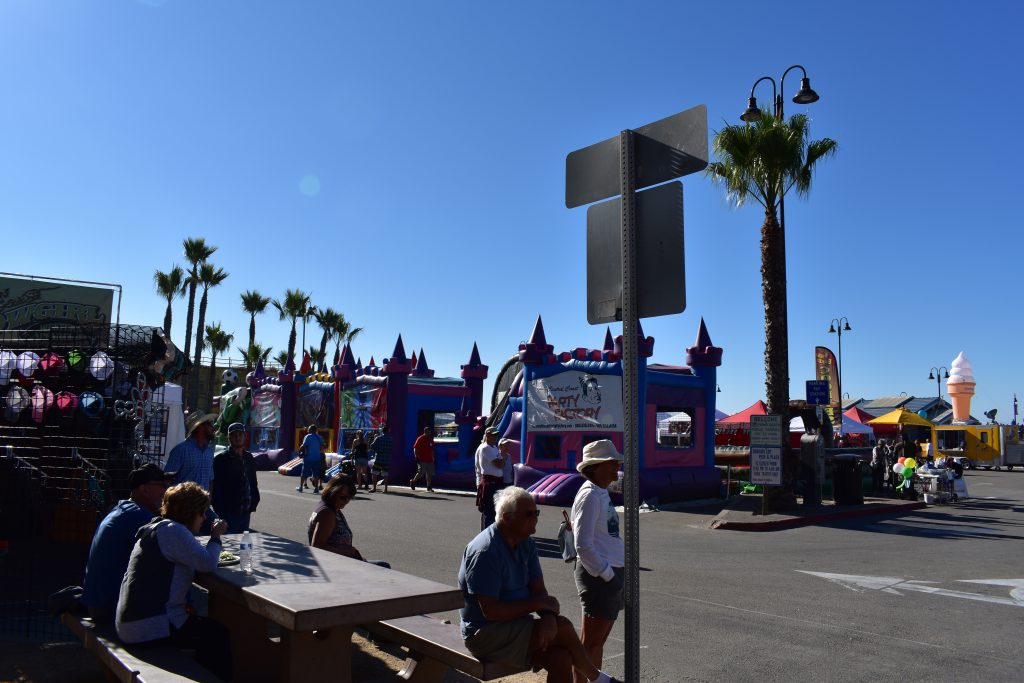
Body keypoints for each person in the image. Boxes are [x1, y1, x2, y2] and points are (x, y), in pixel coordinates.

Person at [458, 486, 621, 683]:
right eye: (528, 514)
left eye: (536, 512)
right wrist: (540, 607)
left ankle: (596, 678)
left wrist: (549, 617)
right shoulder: (485, 552)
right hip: (484, 634)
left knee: (561, 659)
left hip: (515, 626)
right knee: (564, 628)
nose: (535, 518)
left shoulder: (526, 544)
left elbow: (539, 591)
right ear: (506, 518)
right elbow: (491, 611)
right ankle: (597, 679)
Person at [115, 482, 232, 681]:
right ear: (190, 512)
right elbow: (207, 562)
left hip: (133, 622)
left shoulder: (157, 526)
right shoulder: (173, 531)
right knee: (217, 635)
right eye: (202, 513)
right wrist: (215, 537)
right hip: (148, 626)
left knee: (206, 631)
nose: (204, 518)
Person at [81, 463, 173, 623]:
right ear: (145, 489)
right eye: (163, 485)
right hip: (109, 608)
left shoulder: (122, 509)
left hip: (96, 602)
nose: (167, 491)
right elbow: (173, 554)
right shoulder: (140, 518)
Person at [569, 440, 625, 683]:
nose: (616, 467)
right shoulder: (590, 495)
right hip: (600, 577)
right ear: (595, 467)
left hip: (607, 575)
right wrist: (608, 576)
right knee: (590, 645)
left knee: (596, 643)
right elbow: (583, 544)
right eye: (611, 463)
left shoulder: (599, 492)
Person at [308, 474, 390, 567]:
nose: (346, 501)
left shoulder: (331, 508)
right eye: (342, 497)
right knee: (384, 566)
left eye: (349, 498)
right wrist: (348, 552)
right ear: (332, 492)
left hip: (340, 562)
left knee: (382, 565)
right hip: (335, 565)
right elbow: (317, 547)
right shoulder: (327, 513)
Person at [211, 422, 260, 534]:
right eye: (234, 435)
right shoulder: (221, 459)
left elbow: (253, 482)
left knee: (243, 545)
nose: (237, 437)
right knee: (229, 547)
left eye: (240, 434)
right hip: (229, 514)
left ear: (245, 436)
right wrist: (221, 514)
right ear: (229, 438)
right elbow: (217, 489)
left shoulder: (249, 457)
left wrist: (255, 500)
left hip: (246, 512)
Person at [165, 411, 217, 491]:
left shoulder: (209, 452)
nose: (213, 428)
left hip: (203, 502)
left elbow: (210, 479)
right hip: (183, 502)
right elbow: (167, 480)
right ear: (200, 427)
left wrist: (209, 497)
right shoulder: (181, 450)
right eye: (209, 424)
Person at [475, 427, 504, 530]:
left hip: (495, 482)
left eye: (496, 435)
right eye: (492, 435)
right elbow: (499, 464)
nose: (495, 437)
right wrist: (502, 457)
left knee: (494, 511)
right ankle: (486, 536)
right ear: (487, 435)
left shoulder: (494, 448)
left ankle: (490, 534)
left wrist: (501, 459)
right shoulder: (485, 448)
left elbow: (501, 463)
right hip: (490, 483)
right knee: (489, 511)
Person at [297, 425, 324, 493]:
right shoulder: (319, 437)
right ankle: (316, 488)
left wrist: (300, 452)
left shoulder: (308, 436)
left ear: (311, 430)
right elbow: (322, 447)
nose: (307, 431)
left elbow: (304, 445)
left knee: (304, 473)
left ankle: (301, 487)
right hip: (317, 458)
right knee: (316, 474)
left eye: (308, 429)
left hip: (308, 458)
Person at [409, 425, 436, 492]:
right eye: (428, 431)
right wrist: (416, 456)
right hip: (421, 459)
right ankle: (413, 481)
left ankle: (429, 486)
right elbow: (415, 448)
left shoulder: (430, 439)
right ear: (425, 432)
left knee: (429, 473)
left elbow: (432, 449)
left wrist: (433, 457)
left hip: (429, 459)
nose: (429, 433)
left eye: (430, 431)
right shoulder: (420, 438)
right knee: (421, 472)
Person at [370, 424, 393, 493]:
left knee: (374, 473)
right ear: (388, 431)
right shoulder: (391, 439)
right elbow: (391, 449)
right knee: (385, 474)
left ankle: (374, 488)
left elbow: (372, 446)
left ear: (382, 431)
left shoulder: (378, 438)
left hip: (379, 458)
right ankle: (385, 489)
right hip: (387, 459)